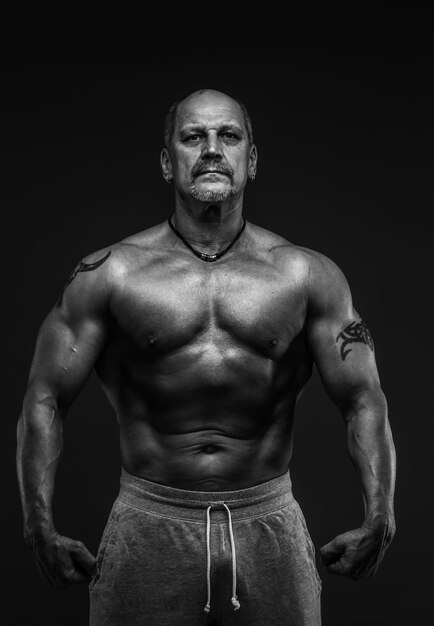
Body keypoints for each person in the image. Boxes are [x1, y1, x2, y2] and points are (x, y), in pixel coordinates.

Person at [16, 88, 396, 626]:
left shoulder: (307, 275)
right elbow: (45, 398)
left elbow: (364, 399)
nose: (213, 149)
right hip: (149, 525)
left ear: (252, 159)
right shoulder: (111, 274)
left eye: (229, 136)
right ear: (169, 162)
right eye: (194, 137)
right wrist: (38, 523)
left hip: (269, 526)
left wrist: (381, 513)